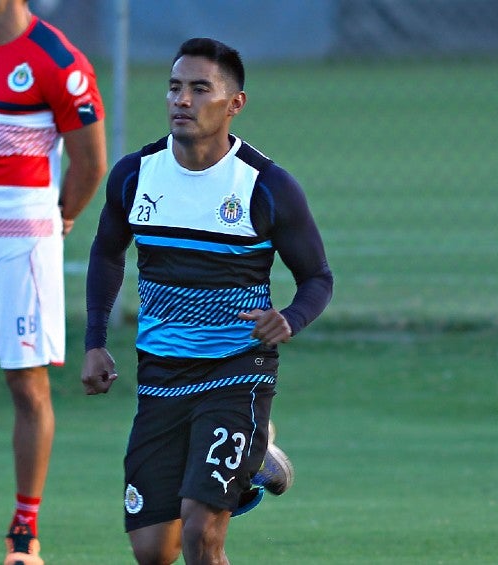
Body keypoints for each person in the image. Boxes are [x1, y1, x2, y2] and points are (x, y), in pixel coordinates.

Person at [81, 38, 334, 565]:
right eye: (175, 88)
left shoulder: (266, 186)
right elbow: (107, 254)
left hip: (237, 371)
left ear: (234, 104)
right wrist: (96, 341)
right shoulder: (135, 175)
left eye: (200, 89)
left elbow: (317, 278)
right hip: (161, 375)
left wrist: (290, 318)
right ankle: (254, 455)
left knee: (202, 537)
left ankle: (247, 440)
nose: (183, 100)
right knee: (154, 551)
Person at [0, 1, 107, 563]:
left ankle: (25, 532)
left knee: (26, 387)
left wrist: (60, 218)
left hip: (22, 245)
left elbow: (89, 163)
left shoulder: (59, 59)